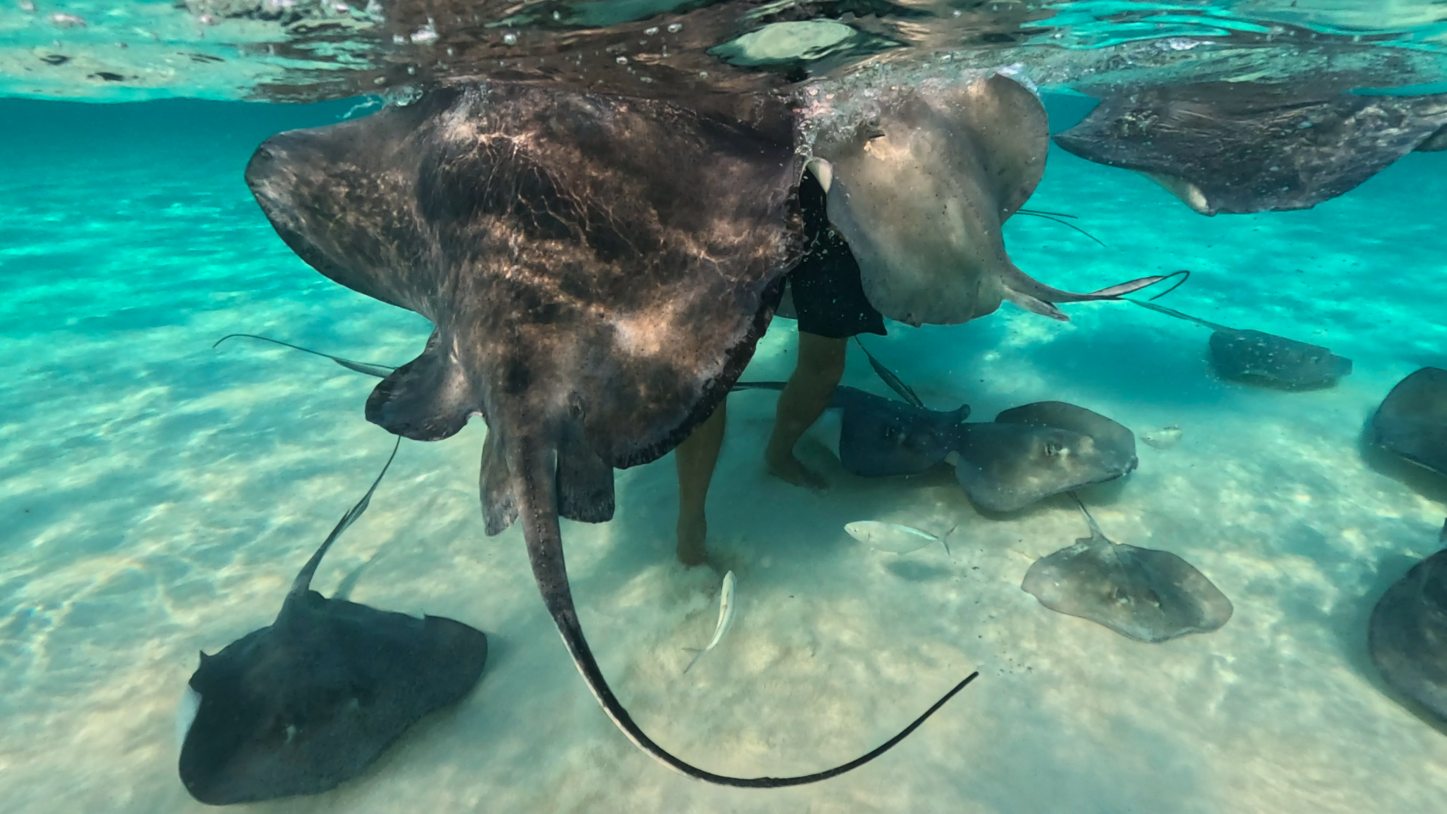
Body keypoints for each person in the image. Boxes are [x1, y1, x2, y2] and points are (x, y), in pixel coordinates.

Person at [674, 167, 886, 566]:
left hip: (829, 204)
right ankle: (691, 520)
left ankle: (779, 453)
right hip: (729, 196)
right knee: (708, 372)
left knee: (825, 366)